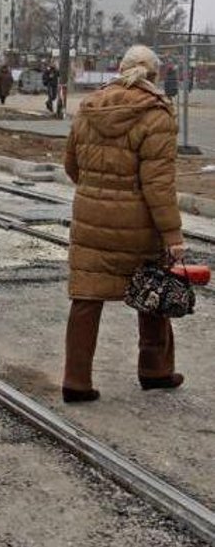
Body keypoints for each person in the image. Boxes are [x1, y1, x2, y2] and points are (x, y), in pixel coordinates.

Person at [62, 44, 185, 403]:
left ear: (120, 70)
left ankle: (76, 381)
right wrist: (173, 235)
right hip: (138, 227)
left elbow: (72, 166)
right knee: (152, 292)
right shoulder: (156, 114)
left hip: (90, 220)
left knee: (86, 297)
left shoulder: (89, 107)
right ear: (154, 75)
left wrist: (98, 191)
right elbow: (158, 185)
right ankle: (155, 370)